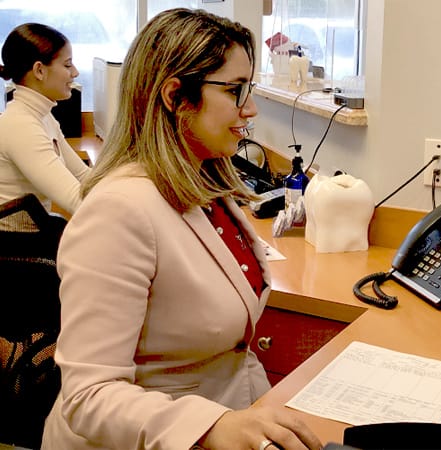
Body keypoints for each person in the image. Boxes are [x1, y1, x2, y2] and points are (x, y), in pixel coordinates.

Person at [41, 8, 322, 450]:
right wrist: (212, 427)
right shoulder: (119, 212)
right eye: (235, 91)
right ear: (175, 97)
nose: (250, 108)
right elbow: (88, 397)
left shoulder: (204, 183)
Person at [0, 23, 90, 215]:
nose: (75, 73)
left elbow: (83, 175)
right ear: (39, 70)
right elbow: (76, 200)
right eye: (67, 65)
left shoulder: (42, 116)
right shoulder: (21, 126)